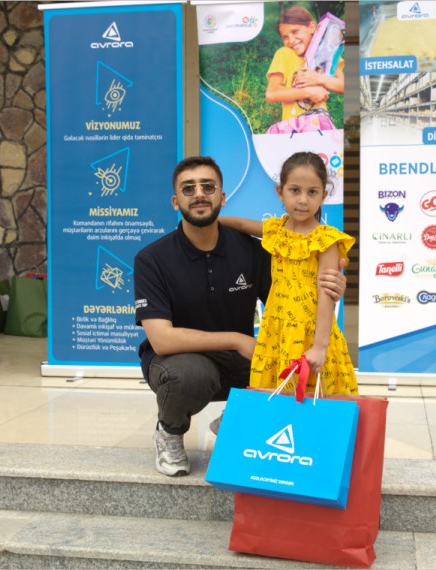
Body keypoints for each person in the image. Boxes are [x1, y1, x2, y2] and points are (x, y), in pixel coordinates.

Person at [134, 156, 347, 477]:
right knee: (189, 374)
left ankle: (236, 421)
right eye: (188, 189)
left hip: (242, 360)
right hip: (182, 361)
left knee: (294, 361)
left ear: (222, 197)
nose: (199, 194)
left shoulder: (252, 250)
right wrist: (237, 339)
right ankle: (170, 432)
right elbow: (162, 340)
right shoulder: (152, 259)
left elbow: (291, 296)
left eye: (208, 187)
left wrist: (331, 286)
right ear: (176, 202)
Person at [219, 151, 358, 396]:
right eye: (295, 190)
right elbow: (240, 225)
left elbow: (326, 294)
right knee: (273, 400)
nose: (303, 200)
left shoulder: (327, 241)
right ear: (280, 192)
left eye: (312, 192)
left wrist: (320, 346)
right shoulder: (275, 230)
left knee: (317, 404)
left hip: (313, 335)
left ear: (324, 196)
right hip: (276, 333)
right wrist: (210, 220)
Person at [265, 5, 345, 123]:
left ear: (312, 27)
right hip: (293, 128)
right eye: (285, 37)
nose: (291, 41)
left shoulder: (327, 54)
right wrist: (308, 92)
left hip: (321, 126)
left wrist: (318, 79)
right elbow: (272, 93)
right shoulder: (284, 54)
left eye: (295, 31)